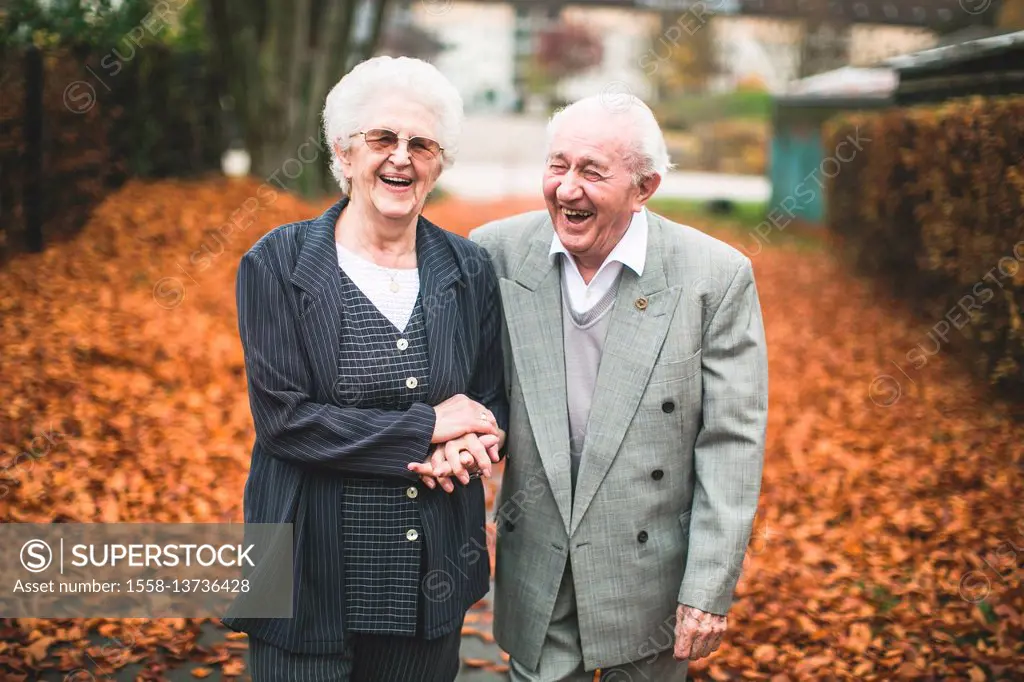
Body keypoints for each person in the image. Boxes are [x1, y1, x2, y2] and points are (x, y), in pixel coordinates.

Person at [223, 56, 508, 682]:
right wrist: (427, 428)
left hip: (427, 575)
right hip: (305, 570)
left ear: (439, 163)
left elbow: (491, 398)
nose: (401, 157)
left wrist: (466, 445)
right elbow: (286, 422)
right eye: (382, 138)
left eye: (421, 144)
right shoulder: (276, 263)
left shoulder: (468, 269)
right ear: (344, 153)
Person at [469, 94, 768, 681]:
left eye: (592, 172)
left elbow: (732, 443)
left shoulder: (714, 276)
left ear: (644, 188)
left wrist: (708, 586)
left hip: (649, 574)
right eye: (558, 165)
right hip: (539, 566)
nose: (567, 189)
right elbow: (468, 385)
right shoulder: (495, 252)